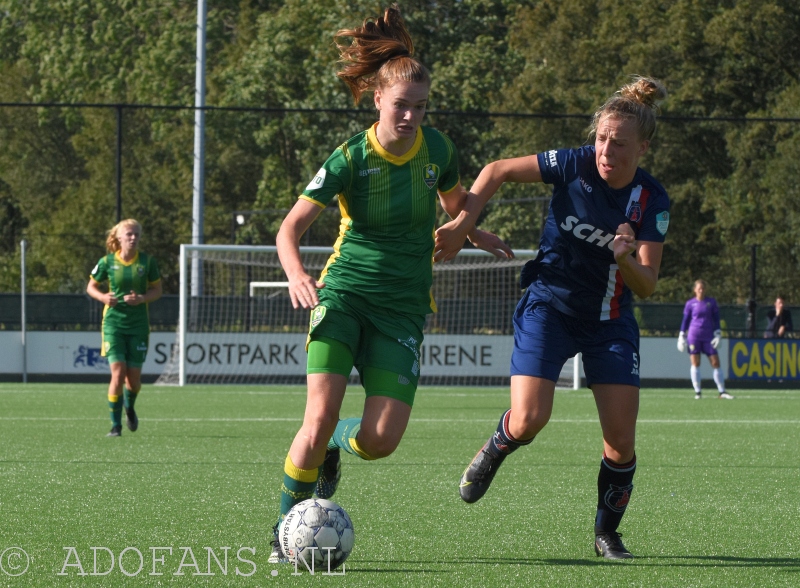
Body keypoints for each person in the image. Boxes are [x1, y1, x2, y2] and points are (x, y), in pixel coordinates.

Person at [269, 5, 512, 563]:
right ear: (378, 99)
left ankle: (336, 447)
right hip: (344, 295)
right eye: (402, 105)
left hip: (402, 308)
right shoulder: (350, 157)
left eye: (421, 107)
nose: (411, 117)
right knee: (317, 415)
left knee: (379, 442)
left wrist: (476, 232)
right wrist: (298, 274)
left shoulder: (440, 152)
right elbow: (290, 228)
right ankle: (284, 535)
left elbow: (455, 209)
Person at [450, 76, 669, 560]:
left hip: (609, 321)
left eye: (620, 143)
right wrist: (466, 225)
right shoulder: (573, 162)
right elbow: (497, 170)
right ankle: (496, 446)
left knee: (621, 444)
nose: (607, 150)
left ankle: (606, 535)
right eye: (602, 138)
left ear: (644, 148)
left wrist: (626, 259)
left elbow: (648, 283)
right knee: (529, 419)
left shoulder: (652, 200)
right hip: (549, 305)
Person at [86, 219, 162, 437]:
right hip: (113, 324)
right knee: (117, 375)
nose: (133, 238)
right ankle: (115, 426)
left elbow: (157, 290)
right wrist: (102, 296)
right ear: (119, 237)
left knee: (134, 381)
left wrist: (142, 298)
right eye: (129, 234)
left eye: (136, 234)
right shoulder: (107, 262)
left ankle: (129, 407)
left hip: (138, 326)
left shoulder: (147, 262)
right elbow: (91, 286)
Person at [677, 280, 733, 400]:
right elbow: (685, 320)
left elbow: (716, 319)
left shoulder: (711, 302)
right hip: (694, 336)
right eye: (699, 288)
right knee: (696, 363)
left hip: (708, 336)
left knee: (715, 362)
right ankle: (698, 392)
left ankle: (722, 391)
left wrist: (718, 333)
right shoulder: (690, 304)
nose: (701, 290)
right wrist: (682, 335)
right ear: (695, 290)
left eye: (703, 288)